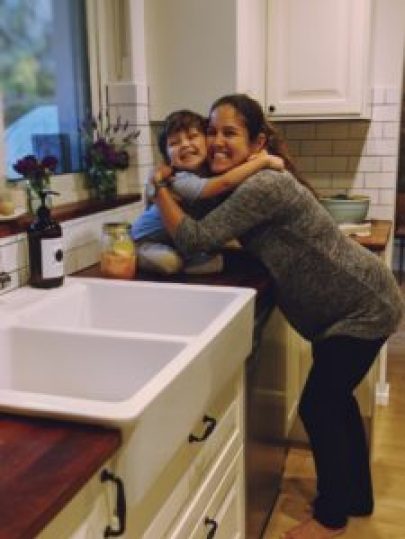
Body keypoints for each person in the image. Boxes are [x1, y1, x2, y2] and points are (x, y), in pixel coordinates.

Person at [150, 93, 404, 539]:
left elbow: (195, 239)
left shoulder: (263, 186)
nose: (217, 141)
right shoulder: (242, 183)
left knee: (320, 406)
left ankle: (331, 518)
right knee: (337, 402)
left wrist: (159, 187)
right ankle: (357, 498)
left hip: (361, 306)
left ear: (257, 142)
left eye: (230, 132)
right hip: (353, 305)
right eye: (212, 131)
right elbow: (210, 220)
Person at [131, 109, 284, 274]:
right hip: (144, 240)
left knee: (215, 257)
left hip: (174, 240)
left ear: (207, 142)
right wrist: (262, 161)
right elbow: (224, 183)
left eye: (192, 137)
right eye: (174, 143)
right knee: (170, 263)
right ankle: (134, 255)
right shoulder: (180, 180)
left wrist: (254, 155)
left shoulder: (209, 172)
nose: (184, 144)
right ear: (169, 158)